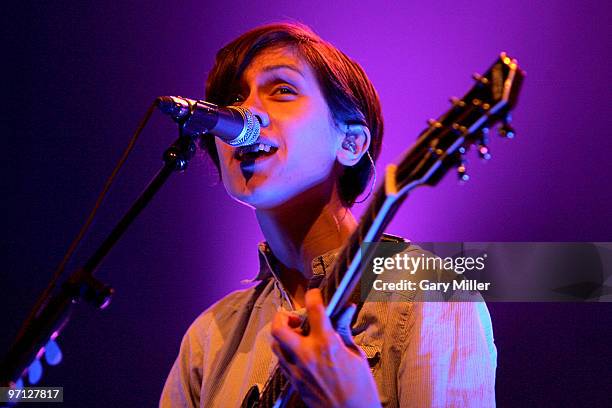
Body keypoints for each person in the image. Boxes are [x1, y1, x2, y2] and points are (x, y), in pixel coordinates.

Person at [160, 22, 496, 407]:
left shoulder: (431, 294)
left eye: (282, 90)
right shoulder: (209, 337)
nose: (245, 112)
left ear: (351, 142)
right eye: (235, 98)